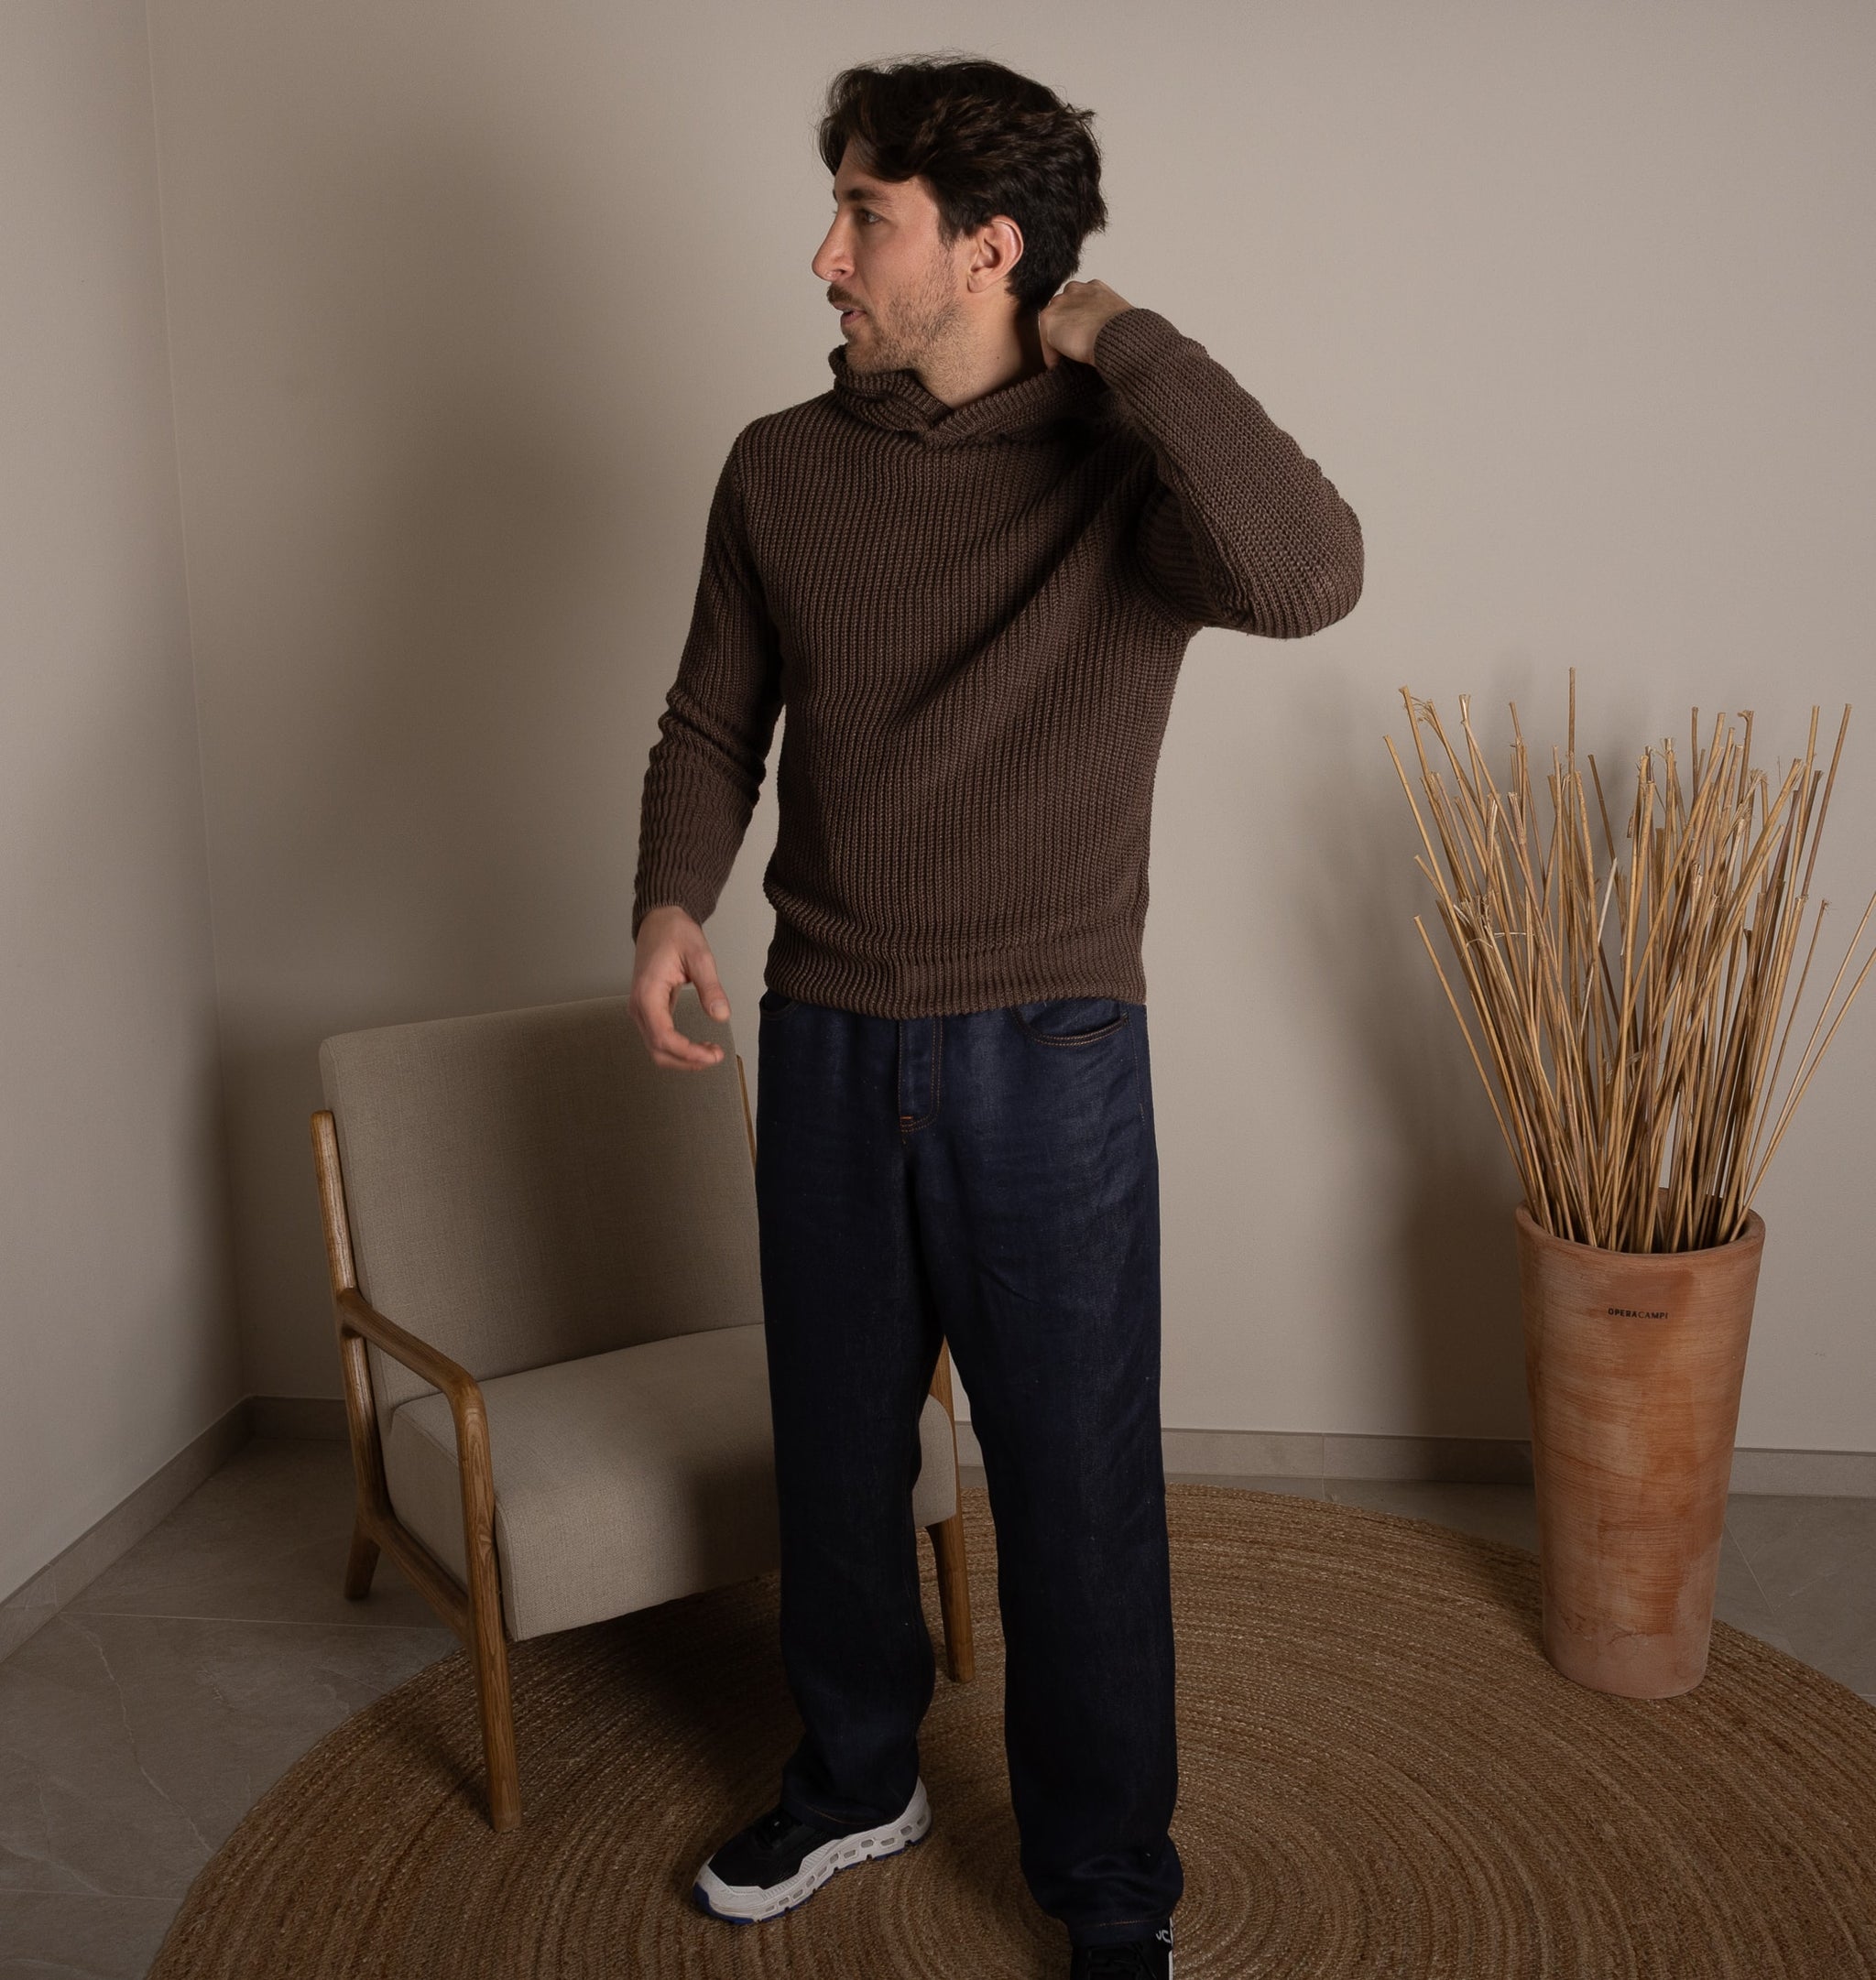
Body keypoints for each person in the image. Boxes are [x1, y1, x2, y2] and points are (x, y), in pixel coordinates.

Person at [627, 52, 1362, 1980]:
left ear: (988, 248)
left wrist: (1122, 337)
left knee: (1073, 1487)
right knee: (834, 1456)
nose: (824, 254)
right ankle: (855, 1772)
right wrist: (668, 900)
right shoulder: (780, 468)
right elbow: (713, 717)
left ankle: (1109, 1883)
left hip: (1050, 1053)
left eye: (863, 216)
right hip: (828, 1030)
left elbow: (1310, 575)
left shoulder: (1131, 472)